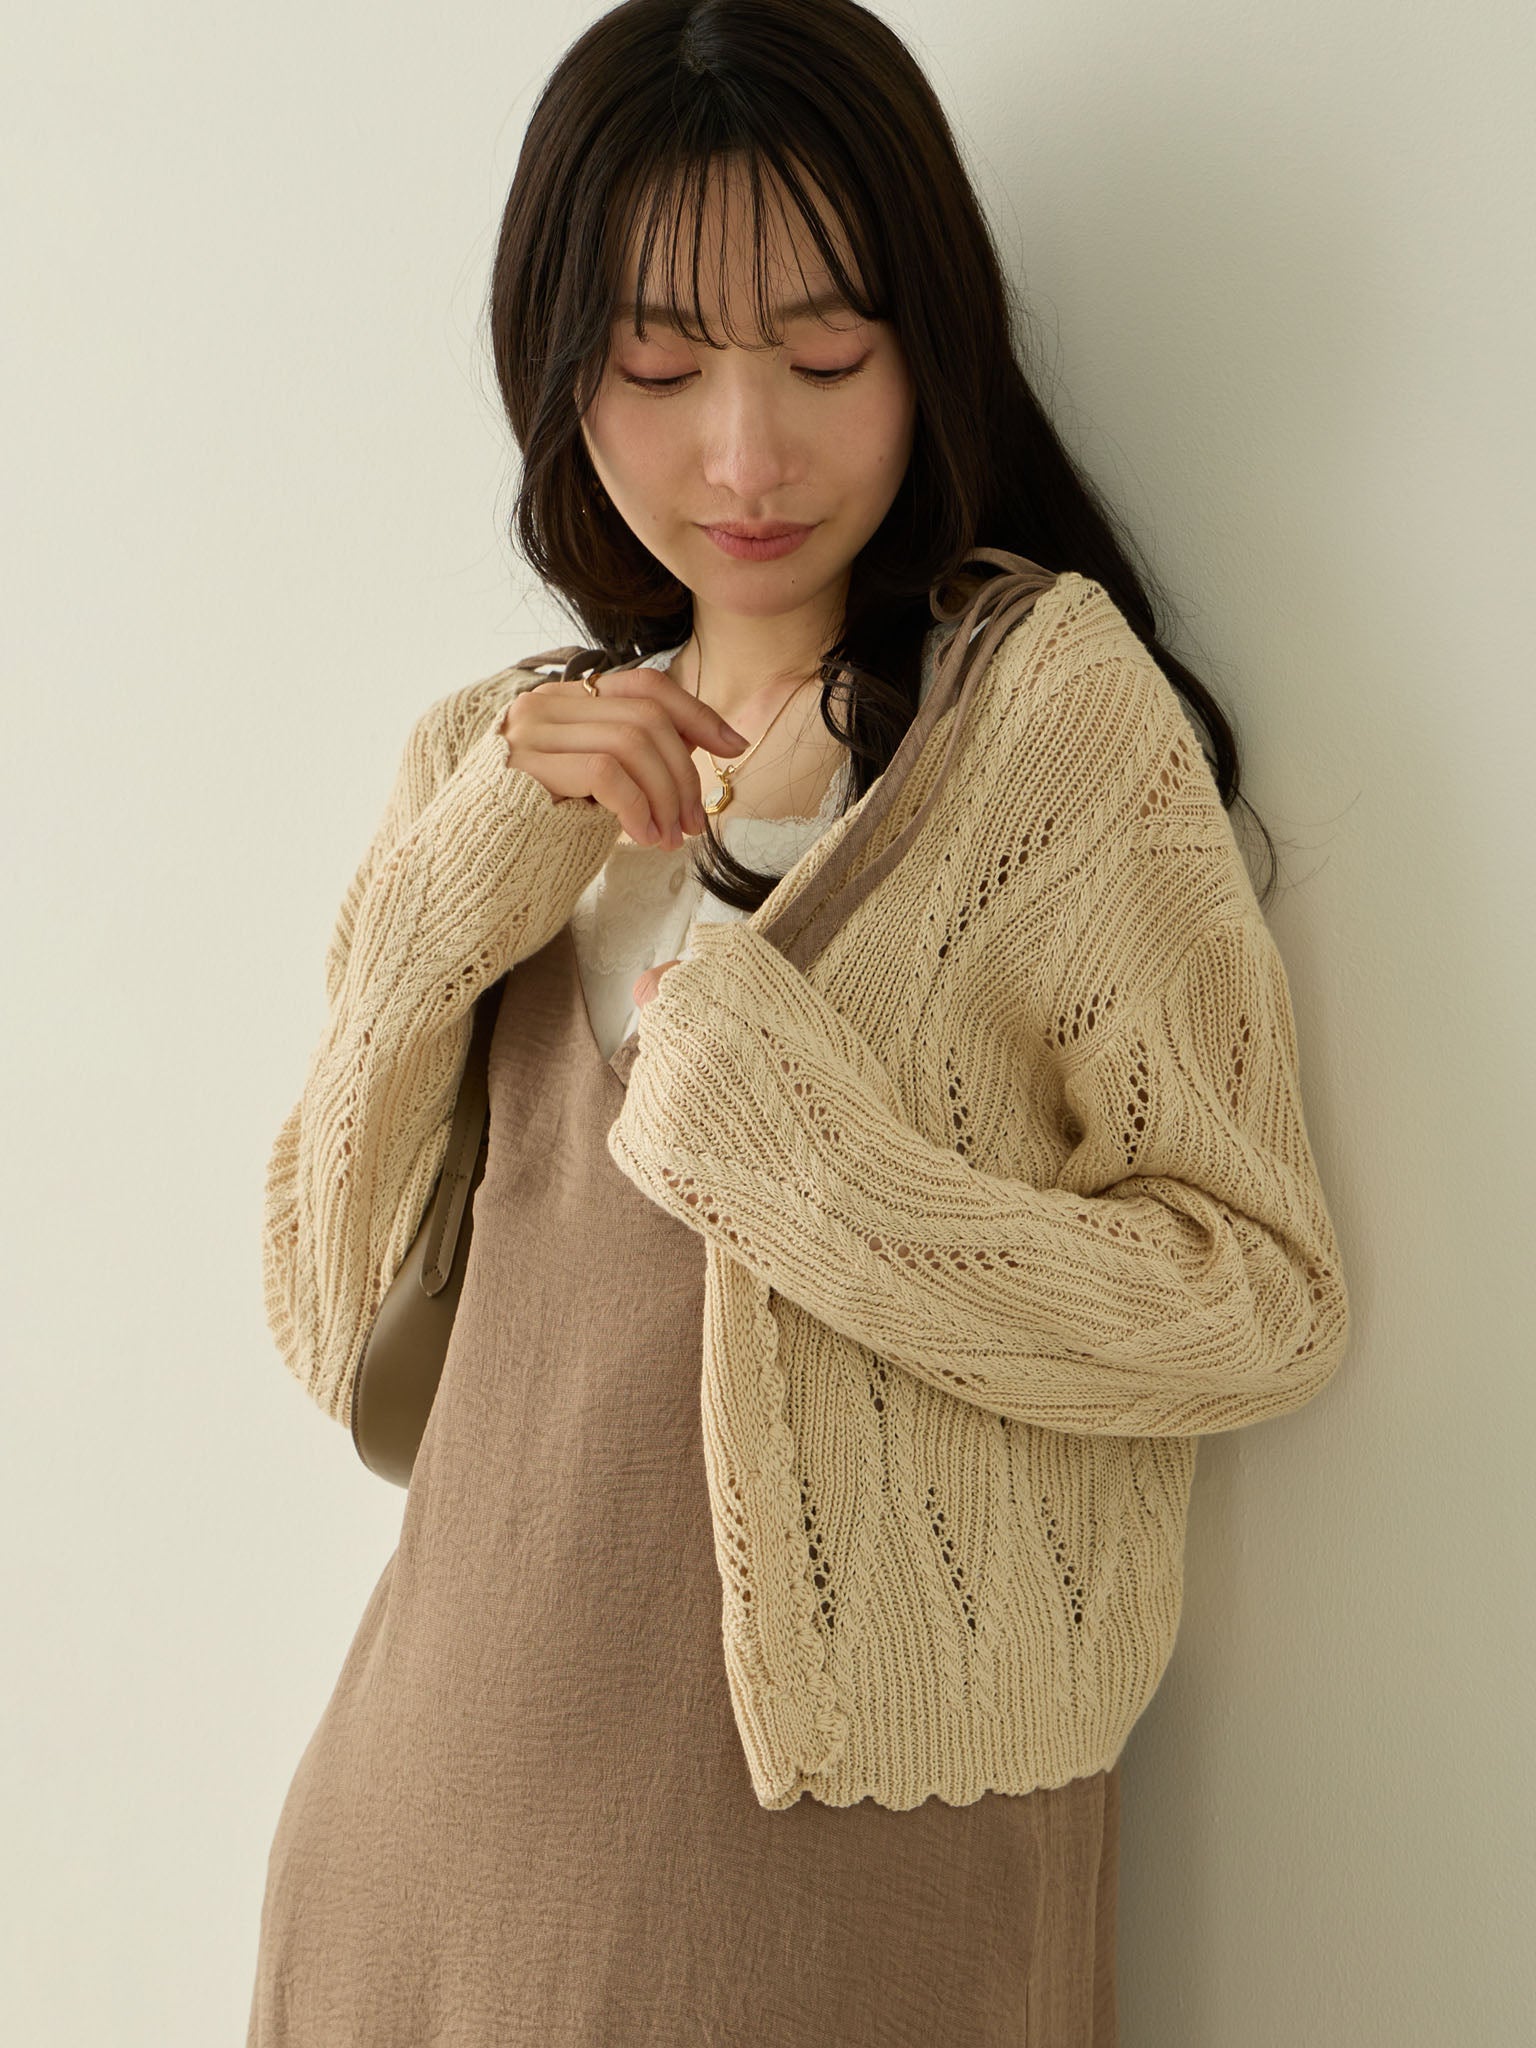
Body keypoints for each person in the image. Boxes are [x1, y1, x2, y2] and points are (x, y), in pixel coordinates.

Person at [245, 3, 1351, 2043]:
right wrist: (457, 892)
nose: (747, 454)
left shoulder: (1045, 724)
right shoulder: (494, 758)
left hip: (850, 1867)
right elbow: (336, 1334)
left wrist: (798, 1160)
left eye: (827, 358)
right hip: (419, 1845)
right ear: (558, 372)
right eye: (661, 370)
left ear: (930, 346)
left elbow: (1254, 1299)